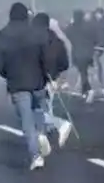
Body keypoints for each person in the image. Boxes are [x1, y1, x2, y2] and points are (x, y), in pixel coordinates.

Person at [0, 3, 52, 170]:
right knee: (39, 110)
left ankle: (35, 155)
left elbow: (0, 64)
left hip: (17, 83)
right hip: (38, 80)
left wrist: (8, 75)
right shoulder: (36, 32)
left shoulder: (3, 34)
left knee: (26, 120)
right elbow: (45, 56)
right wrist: (46, 74)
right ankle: (41, 133)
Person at [32, 13, 73, 151]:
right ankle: (48, 132)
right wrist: (57, 75)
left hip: (38, 77)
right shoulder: (57, 40)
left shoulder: (34, 39)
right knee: (46, 105)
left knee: (35, 109)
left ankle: (57, 126)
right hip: (52, 77)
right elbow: (65, 63)